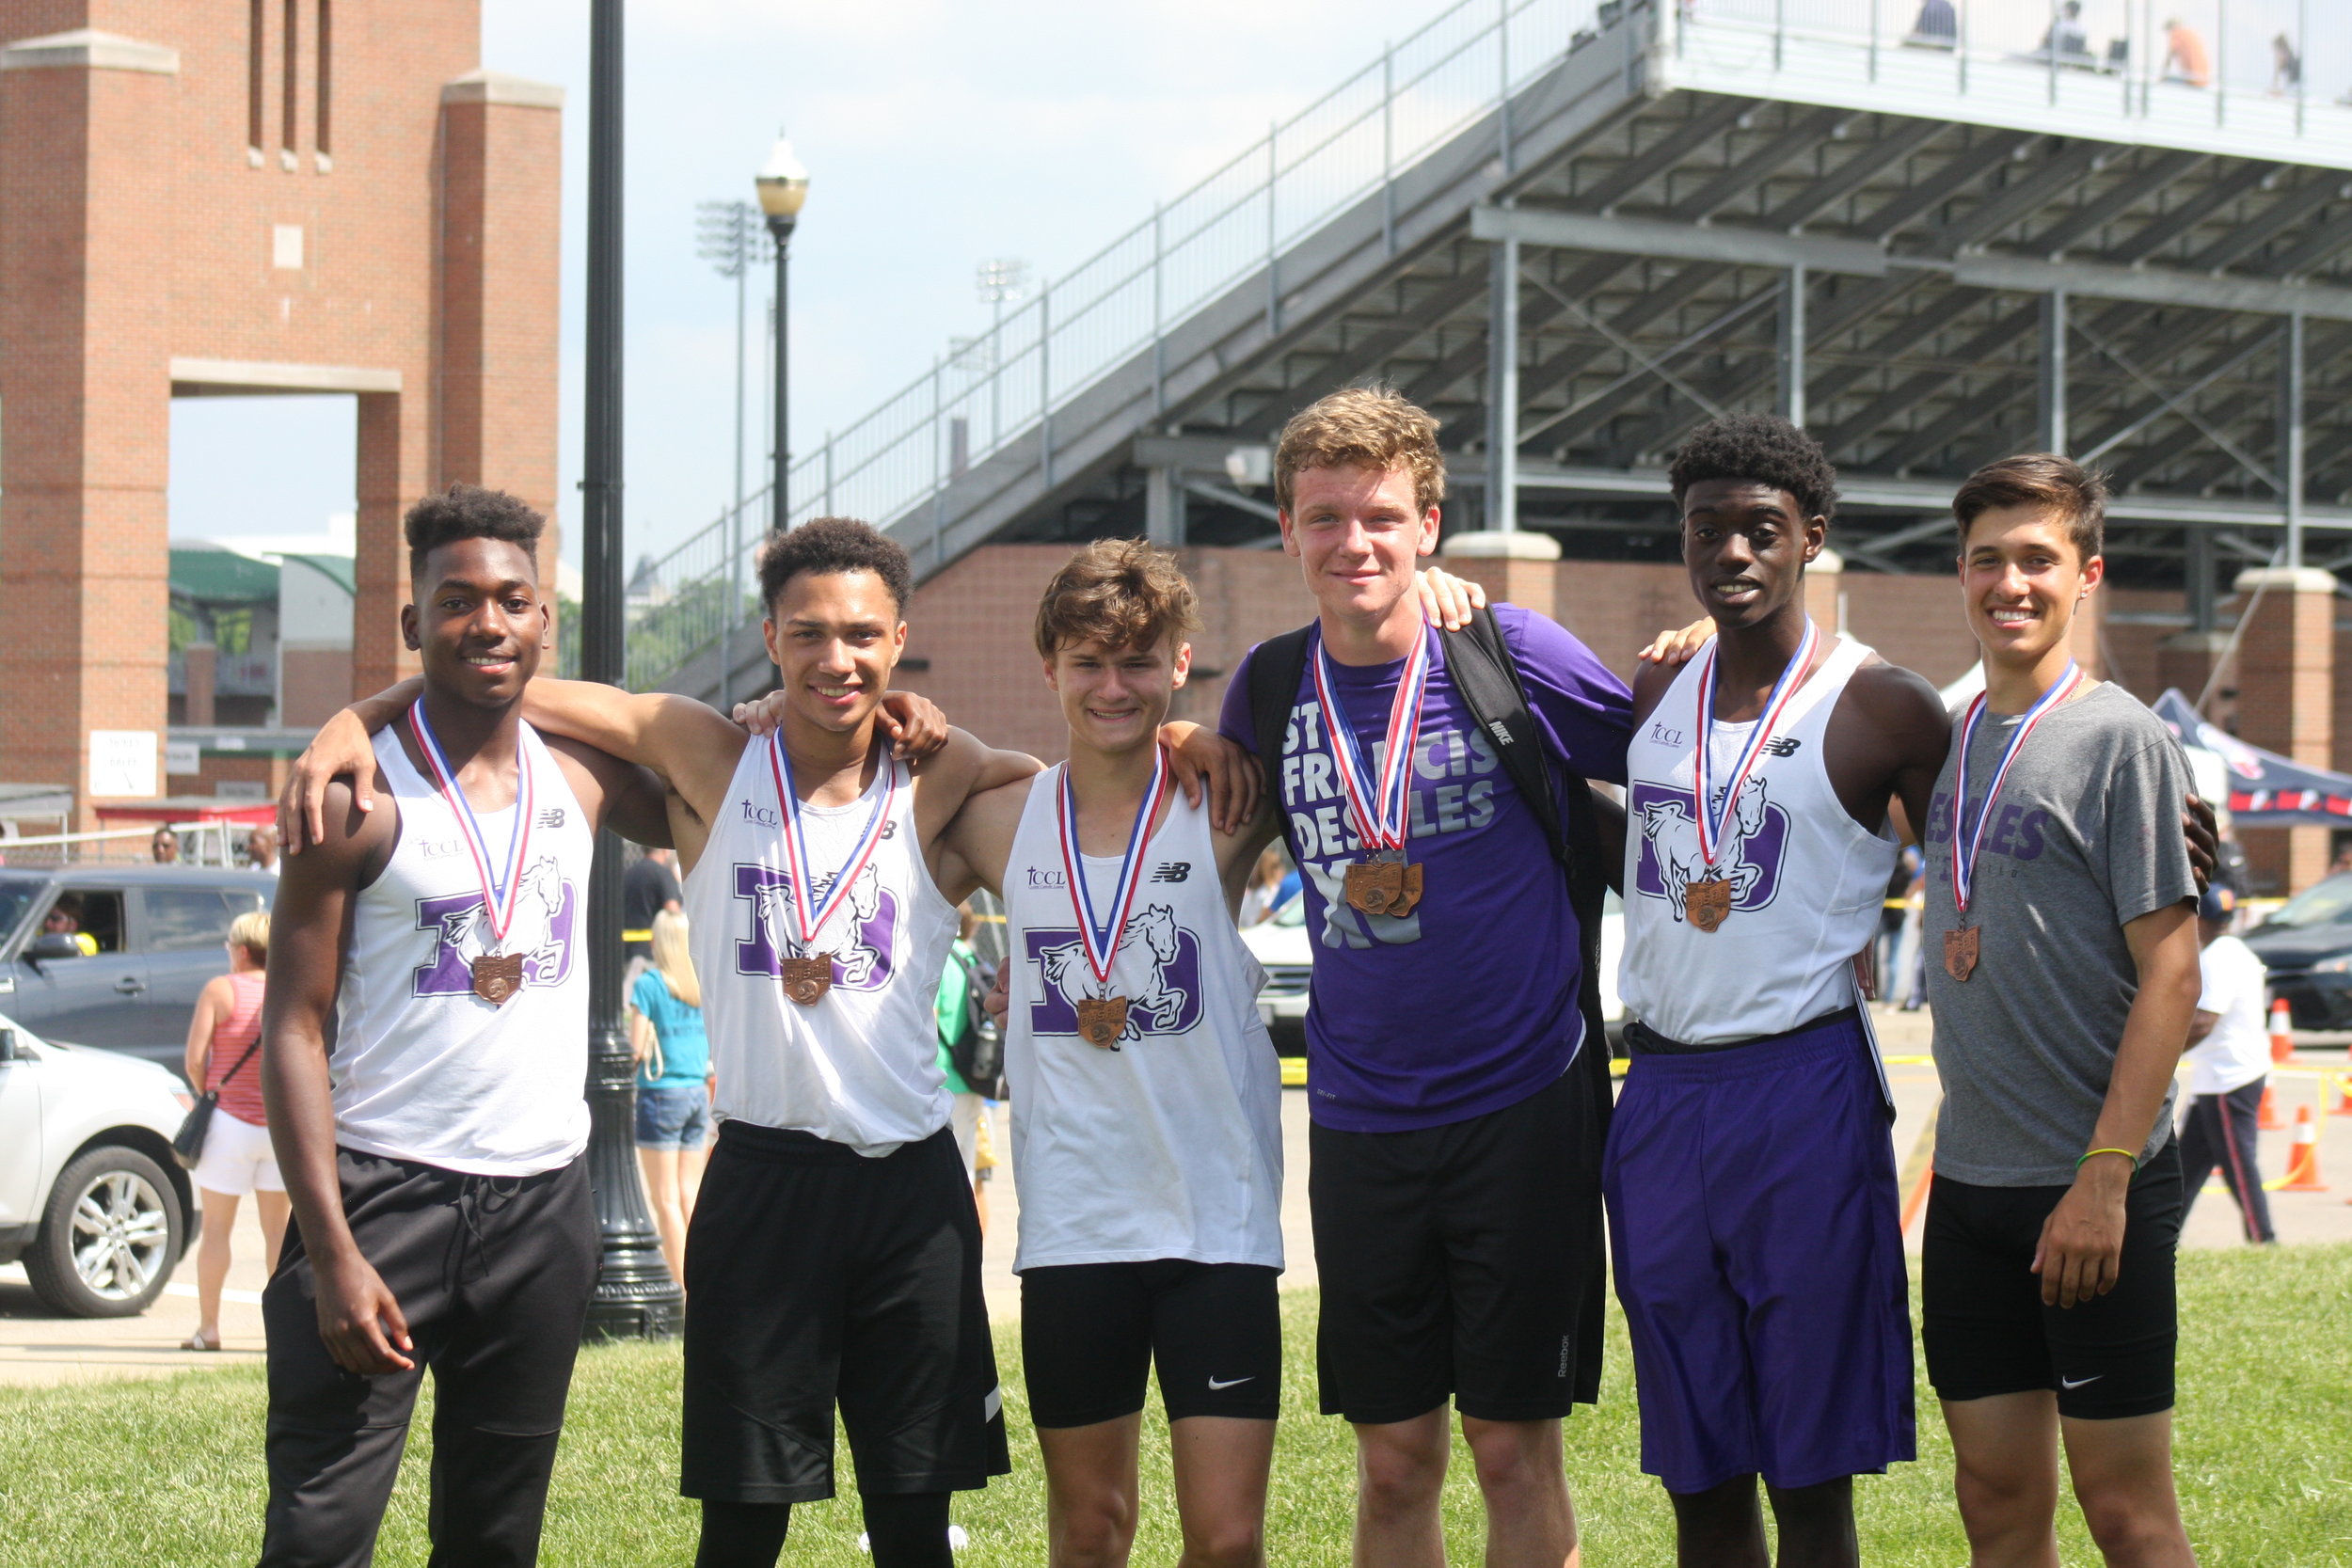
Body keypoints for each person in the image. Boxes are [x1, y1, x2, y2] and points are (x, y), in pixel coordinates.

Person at [279, 515, 1232, 1568]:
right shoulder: (712, 757)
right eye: (810, 632)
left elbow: (1075, 773)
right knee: (741, 1524)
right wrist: (357, 712)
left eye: (864, 635)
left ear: (899, 637)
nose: (839, 658)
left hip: (911, 1192)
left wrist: (1180, 733)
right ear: (769, 638)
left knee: (914, 1522)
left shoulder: (941, 779)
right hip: (764, 1185)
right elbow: (498, 675)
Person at [1216, 387, 1633, 1568]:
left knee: (1511, 1448)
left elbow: (1679, 738)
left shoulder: (1509, 650)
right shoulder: (1265, 684)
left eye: (1383, 516)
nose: (1355, 541)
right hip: (1358, 1117)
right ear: (1288, 530)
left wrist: (1708, 641)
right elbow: (1177, 783)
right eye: (1325, 516)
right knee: (1394, 1456)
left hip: (1525, 1106)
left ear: (1430, 524)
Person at [257, 484, 675, 1566]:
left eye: (512, 600)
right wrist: (335, 1252)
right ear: (414, 624)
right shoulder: (350, 798)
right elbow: (292, 1029)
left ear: (544, 621)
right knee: (319, 1532)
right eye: (456, 601)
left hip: (542, 1209)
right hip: (382, 1193)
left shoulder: (585, 778)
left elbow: (723, 769)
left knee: (496, 1537)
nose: (486, 622)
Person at [864, 538, 1291, 1568]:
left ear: (1179, 664)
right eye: (1088, 661)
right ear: (1047, 664)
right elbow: (842, 806)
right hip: (1075, 1230)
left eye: (1139, 662)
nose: (1114, 686)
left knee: (1227, 1539)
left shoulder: (1227, 803)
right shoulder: (997, 820)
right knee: (1090, 1530)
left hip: (1218, 1224)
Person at [1612, 415, 1949, 1568]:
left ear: (1812, 535)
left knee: (1809, 1473)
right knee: (1697, 1470)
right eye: (1708, 531)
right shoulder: (1656, 685)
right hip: (1655, 1094)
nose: (1733, 554)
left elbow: (1992, 843)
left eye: (1761, 529)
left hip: (1801, 1087)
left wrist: (2165, 812)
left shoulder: (1884, 705)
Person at [1918, 454, 2203, 1568]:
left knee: (2123, 1510)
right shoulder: (1941, 738)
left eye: (2036, 559)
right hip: (1972, 1185)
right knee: (1993, 1499)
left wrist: (2104, 1175)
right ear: (1960, 571)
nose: (2009, 582)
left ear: (2084, 574)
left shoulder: (2121, 738)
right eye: (1987, 558)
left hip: (2093, 1180)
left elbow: (2172, 976)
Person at [181, 910, 287, 1354]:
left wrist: (207, 1092)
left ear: (242, 951)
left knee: (217, 1234)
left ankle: (209, 1329)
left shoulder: (219, 990)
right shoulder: (284, 989)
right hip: (277, 1127)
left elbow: (194, 1057)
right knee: (278, 1238)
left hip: (228, 1125)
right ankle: (282, 1334)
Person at [2177, 885, 2276, 1244]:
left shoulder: (2217, 958)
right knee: (2188, 1167)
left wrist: (2159, 1055)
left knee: (2237, 1163)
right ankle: (2165, 1236)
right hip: (2216, 1078)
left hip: (2229, 1078)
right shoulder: (2234, 950)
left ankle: (2263, 1237)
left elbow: (2204, 1022)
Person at [632, 907, 713, 1287]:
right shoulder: (699, 984)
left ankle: (684, 1288)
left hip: (661, 1094)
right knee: (690, 1196)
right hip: (697, 1091)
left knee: (664, 1199)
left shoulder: (649, 985)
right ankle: (704, 1277)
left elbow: (633, 1048)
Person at [935, 905, 992, 1235]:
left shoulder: (938, 958)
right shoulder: (970, 958)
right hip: (973, 1074)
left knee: (943, 1169)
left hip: (942, 1074)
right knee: (967, 1164)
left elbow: (929, 1015)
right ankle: (967, 1238)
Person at [626, 844, 685, 962]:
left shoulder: (629, 873)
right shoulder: (664, 874)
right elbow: (672, 911)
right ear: (665, 850)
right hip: (652, 953)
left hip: (625, 950)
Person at [1236, 843, 1297, 927]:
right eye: (1277, 866)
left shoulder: (1255, 892)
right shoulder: (1271, 891)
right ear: (1270, 869)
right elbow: (1264, 916)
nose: (1282, 869)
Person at [2163, 19, 2211, 87]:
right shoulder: (2191, 34)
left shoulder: (2176, 34)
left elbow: (2169, 59)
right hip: (2203, 79)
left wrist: (2163, 76)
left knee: (2166, 81)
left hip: (2191, 79)